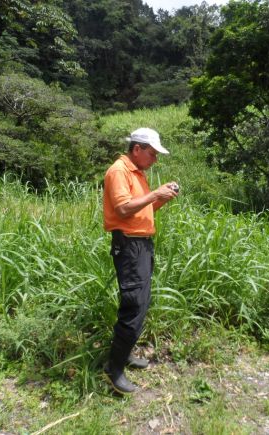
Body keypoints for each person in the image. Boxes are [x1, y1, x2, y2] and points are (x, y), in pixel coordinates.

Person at [103, 127, 179, 394]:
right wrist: (155, 194)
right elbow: (123, 208)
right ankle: (114, 369)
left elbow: (141, 207)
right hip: (129, 245)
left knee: (141, 302)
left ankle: (123, 355)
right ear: (137, 149)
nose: (155, 159)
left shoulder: (137, 173)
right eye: (152, 154)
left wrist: (161, 198)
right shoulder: (119, 171)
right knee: (133, 304)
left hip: (141, 244)